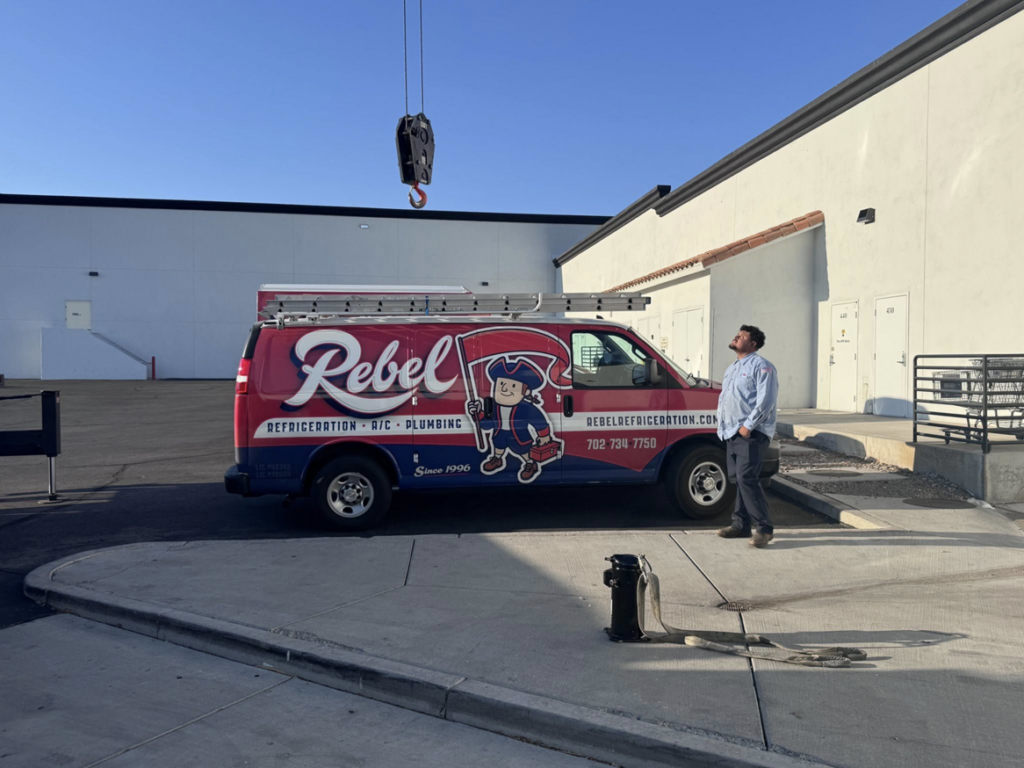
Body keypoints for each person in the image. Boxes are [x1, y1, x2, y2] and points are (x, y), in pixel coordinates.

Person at [716, 325, 779, 548]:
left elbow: (766, 401)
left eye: (742, 336)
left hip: (751, 433)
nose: (736, 337)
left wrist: (748, 426)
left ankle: (764, 529)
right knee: (738, 479)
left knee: (747, 478)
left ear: (752, 344)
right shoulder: (733, 368)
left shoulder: (762, 366)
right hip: (731, 432)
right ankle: (740, 525)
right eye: (737, 334)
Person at [468, 357, 555, 483]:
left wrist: (544, 436)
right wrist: (477, 413)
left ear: (525, 392)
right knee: (498, 445)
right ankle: (497, 459)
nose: (504, 389)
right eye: (501, 384)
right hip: (500, 433)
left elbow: (538, 420)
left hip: (519, 435)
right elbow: (487, 425)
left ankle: (530, 463)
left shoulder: (526, 407)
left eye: (513, 386)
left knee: (522, 450)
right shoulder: (493, 406)